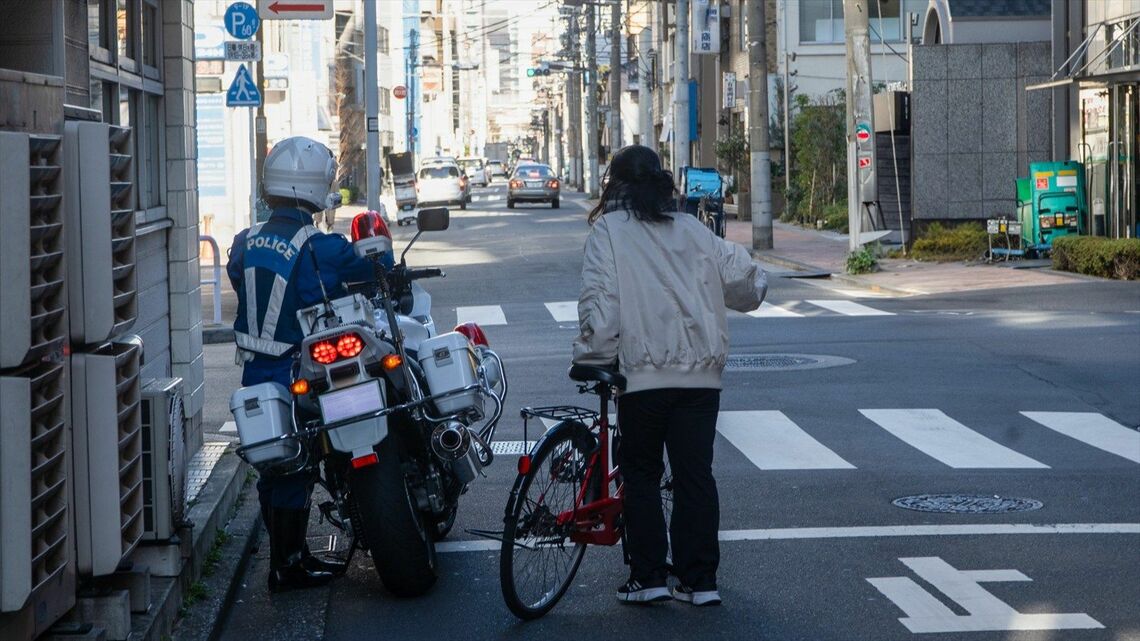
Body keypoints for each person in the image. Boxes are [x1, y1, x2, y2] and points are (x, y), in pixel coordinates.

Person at [572, 145, 767, 607]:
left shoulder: (609, 232)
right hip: (701, 378)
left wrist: (593, 357)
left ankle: (649, 578)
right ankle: (700, 582)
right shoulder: (692, 228)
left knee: (641, 473)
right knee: (695, 476)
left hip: (642, 378)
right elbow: (747, 282)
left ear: (615, 186)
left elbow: (603, 306)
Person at [227, 136, 393, 593]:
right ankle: (289, 566)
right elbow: (372, 268)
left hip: (254, 370)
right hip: (294, 369)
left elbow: (241, 280)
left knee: (272, 460)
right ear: (317, 186)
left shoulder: (243, 242)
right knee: (297, 465)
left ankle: (287, 557)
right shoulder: (320, 246)